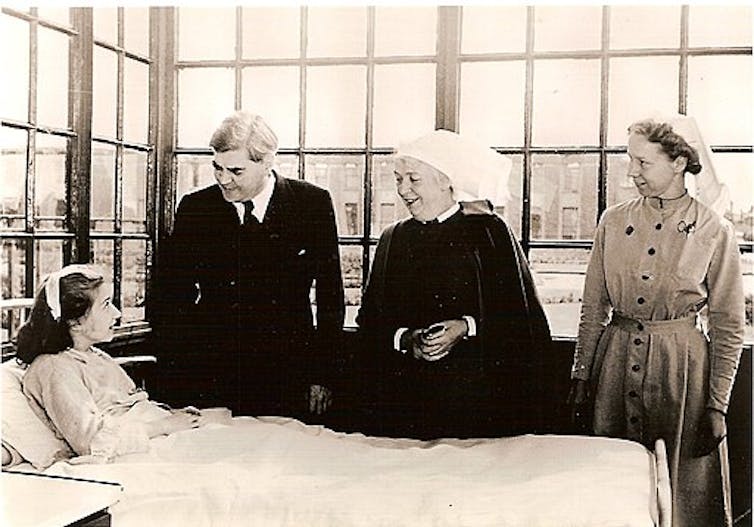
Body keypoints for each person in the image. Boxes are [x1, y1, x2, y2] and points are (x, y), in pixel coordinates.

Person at [568, 117, 745, 527]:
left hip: (681, 375)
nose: (632, 172)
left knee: (680, 495)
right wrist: (582, 377)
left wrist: (717, 404)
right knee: (609, 491)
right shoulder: (612, 221)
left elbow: (728, 325)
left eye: (643, 163)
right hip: (612, 371)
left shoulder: (714, 231)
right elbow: (593, 307)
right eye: (630, 160)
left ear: (679, 162)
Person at [355, 129, 552, 440]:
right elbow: (370, 321)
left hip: (477, 407)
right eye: (398, 179)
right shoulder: (393, 238)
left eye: (413, 179)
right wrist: (408, 339)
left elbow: (522, 321)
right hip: (405, 408)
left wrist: (466, 326)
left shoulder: (489, 232)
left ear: (446, 181)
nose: (403, 190)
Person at [151, 111, 345, 420]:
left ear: (266, 163)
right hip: (210, 376)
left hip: (286, 374)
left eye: (236, 171)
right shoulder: (196, 208)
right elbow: (172, 298)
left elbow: (330, 298)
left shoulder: (312, 204)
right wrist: (178, 374)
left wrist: (323, 376)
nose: (223, 179)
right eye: (217, 167)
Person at [16, 265, 205, 464]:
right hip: (133, 453)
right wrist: (165, 425)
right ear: (75, 322)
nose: (116, 314)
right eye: (106, 305)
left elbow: (125, 404)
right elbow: (91, 442)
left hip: (156, 435)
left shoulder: (93, 355)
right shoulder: (54, 369)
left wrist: (171, 416)